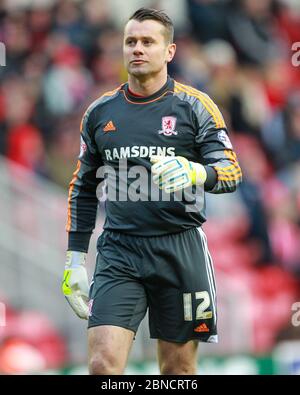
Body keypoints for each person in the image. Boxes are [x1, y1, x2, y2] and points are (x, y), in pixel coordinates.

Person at [62, 7, 242, 375]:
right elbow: (83, 187)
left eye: (147, 42)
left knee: (178, 371)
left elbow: (231, 172)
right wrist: (75, 258)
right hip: (120, 251)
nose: (137, 49)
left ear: (169, 51)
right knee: (102, 365)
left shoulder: (195, 107)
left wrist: (196, 171)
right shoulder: (100, 112)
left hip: (180, 248)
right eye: (131, 42)